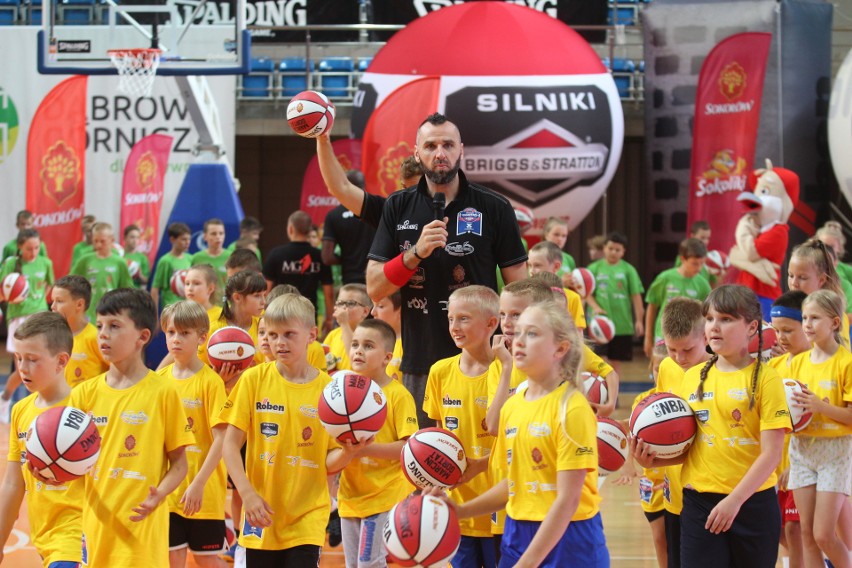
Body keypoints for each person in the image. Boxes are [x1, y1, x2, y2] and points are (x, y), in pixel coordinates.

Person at [366, 113, 528, 424]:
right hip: (421, 362)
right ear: (417, 153)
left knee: (489, 460)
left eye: (447, 145)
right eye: (430, 146)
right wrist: (416, 253)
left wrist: (518, 350)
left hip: (485, 363)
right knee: (426, 461)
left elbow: (520, 291)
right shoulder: (397, 206)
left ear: (461, 150)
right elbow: (375, 288)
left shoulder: (494, 207)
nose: (440, 153)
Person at [429, 300, 609, 567]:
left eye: (532, 333)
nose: (519, 340)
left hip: (569, 537)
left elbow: (568, 499)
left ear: (560, 348)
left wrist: (527, 563)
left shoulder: (571, 408)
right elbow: (513, 483)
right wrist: (461, 511)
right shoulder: (512, 406)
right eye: (519, 332)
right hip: (517, 532)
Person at [632, 285, 789, 568]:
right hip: (699, 503)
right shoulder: (691, 377)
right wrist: (653, 459)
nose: (715, 327)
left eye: (726, 319)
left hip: (752, 504)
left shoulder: (767, 380)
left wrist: (734, 501)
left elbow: (772, 454)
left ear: (752, 327)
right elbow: (692, 448)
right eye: (711, 319)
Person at [219, 293, 366, 566]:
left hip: (307, 517)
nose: (279, 342)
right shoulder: (253, 379)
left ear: (311, 334)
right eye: (272, 335)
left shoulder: (329, 391)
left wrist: (347, 452)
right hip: (260, 513)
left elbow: (328, 462)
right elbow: (229, 444)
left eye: (288, 334)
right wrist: (247, 494)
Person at [67, 288, 193, 567]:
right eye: (99, 326)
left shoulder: (164, 392)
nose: (102, 334)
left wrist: (160, 494)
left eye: (114, 326)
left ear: (143, 336)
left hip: (142, 534)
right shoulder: (83, 395)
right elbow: (71, 464)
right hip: (96, 529)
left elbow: (180, 464)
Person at [424, 285, 502, 567]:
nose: (455, 326)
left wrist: (479, 465)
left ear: (491, 323)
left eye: (464, 319)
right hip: (457, 505)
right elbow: (437, 439)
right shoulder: (440, 372)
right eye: (451, 318)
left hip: (500, 506)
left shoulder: (505, 373)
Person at [0, 312, 83, 567]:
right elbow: (14, 484)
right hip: (44, 536)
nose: (22, 368)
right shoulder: (21, 410)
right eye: (18, 358)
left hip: (77, 537)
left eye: (32, 360)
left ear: (61, 361)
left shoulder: (85, 408)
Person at [338, 318, 418, 568]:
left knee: (368, 563)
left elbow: (408, 449)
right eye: (355, 344)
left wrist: (362, 447)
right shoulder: (339, 391)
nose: (358, 351)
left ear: (387, 357)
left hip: (385, 493)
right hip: (350, 494)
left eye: (368, 346)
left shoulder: (398, 395)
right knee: (354, 565)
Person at [157, 301, 228, 568]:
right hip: (168, 492)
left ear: (201, 338)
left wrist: (198, 483)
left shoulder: (211, 382)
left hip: (203, 490)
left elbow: (221, 439)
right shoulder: (160, 380)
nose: (176, 339)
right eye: (171, 332)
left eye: (184, 333)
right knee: (172, 559)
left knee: (206, 560)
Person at [788, 290, 852, 568]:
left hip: (835, 452)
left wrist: (820, 407)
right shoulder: (797, 362)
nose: (807, 324)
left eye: (815, 318)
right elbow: (789, 411)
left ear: (834, 323)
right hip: (801, 451)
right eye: (804, 318)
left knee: (824, 535)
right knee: (807, 535)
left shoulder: (846, 362)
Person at [654, 297, 711, 568]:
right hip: (675, 490)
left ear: (706, 336)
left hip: (709, 492)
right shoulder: (667, 367)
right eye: (671, 349)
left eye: (687, 349)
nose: (679, 358)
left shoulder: (718, 371)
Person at [611, 341, 669, 568]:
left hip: (681, 482)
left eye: (668, 367)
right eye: (657, 368)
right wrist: (627, 464)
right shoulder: (643, 402)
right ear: (651, 370)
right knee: (659, 538)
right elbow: (630, 435)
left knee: (680, 539)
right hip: (652, 482)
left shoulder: (684, 397)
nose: (662, 373)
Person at [767, 290, 810, 568]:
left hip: (803, 462)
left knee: (796, 531)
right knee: (780, 531)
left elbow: (813, 422)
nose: (781, 337)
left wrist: (797, 465)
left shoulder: (817, 365)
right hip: (775, 464)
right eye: (777, 330)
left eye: (788, 330)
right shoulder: (773, 366)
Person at [0, 228, 55, 422]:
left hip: (40, 317)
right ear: (20, 247)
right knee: (24, 370)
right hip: (18, 319)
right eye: (29, 249)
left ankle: (37, 411)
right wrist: (11, 295)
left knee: (41, 365)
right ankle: (5, 399)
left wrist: (40, 298)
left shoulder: (46, 262)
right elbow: (2, 291)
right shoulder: (10, 265)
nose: (33, 252)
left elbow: (50, 286)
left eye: (36, 248)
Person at [262, 210, 334, 333]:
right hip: (309, 315)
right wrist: (329, 318)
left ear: (290, 229)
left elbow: (266, 290)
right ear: (310, 230)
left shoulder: (276, 254)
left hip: (279, 314)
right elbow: (329, 293)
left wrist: (264, 315)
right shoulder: (319, 256)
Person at [585, 231, 645, 376]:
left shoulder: (628, 270)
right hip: (599, 324)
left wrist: (639, 321)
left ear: (623, 251)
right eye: (610, 248)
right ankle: (602, 392)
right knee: (600, 360)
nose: (613, 252)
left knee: (616, 362)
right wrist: (596, 308)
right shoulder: (594, 268)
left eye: (617, 250)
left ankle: (614, 394)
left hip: (622, 325)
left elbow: (636, 297)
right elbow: (586, 293)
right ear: (604, 248)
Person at [644, 238, 711, 358]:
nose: (699, 268)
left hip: (689, 340)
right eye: (695, 263)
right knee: (661, 371)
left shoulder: (703, 284)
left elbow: (707, 313)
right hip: (663, 336)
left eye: (702, 263)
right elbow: (652, 306)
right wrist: (648, 337)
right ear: (682, 259)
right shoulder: (665, 278)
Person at [787, 238, 851, 347]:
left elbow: (838, 357)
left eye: (802, 278)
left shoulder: (834, 316)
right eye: (791, 275)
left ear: (821, 279)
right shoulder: (786, 310)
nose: (794, 283)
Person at [51, 275, 109, 387]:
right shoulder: (53, 338)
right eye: (53, 301)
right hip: (63, 403)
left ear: (79, 304)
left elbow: (118, 372)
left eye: (59, 301)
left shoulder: (96, 337)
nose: (53, 306)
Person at [321, 170, 377, 286]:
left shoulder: (333, 215)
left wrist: (347, 259)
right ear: (364, 186)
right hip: (377, 277)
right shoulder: (380, 208)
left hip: (350, 280)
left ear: (345, 186)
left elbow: (327, 257)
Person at [70, 222, 134, 321]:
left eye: (102, 241)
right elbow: (72, 282)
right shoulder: (85, 260)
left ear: (112, 240)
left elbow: (127, 289)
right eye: (95, 241)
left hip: (111, 311)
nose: (98, 245)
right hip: (88, 313)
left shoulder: (120, 263)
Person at [324, 283, 372, 373]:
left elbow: (354, 355)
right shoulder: (333, 335)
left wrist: (344, 324)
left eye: (350, 303)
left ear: (365, 311)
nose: (343, 308)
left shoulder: (370, 335)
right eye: (340, 303)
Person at [152, 222, 194, 310]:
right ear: (172, 239)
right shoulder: (165, 261)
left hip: (187, 308)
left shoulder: (190, 259)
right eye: (183, 239)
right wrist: (155, 316)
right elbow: (155, 289)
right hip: (172, 308)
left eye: (189, 239)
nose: (187, 242)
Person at [192, 218, 232, 293]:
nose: (218, 237)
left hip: (226, 303)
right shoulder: (196, 258)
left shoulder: (232, 257)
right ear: (205, 236)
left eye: (221, 233)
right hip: (203, 303)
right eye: (213, 234)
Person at [370, 291, 403, 381]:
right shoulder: (374, 341)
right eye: (373, 305)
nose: (372, 312)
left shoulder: (407, 347)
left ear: (400, 311)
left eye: (380, 306)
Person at [123, 224, 151, 289]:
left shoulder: (143, 258)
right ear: (125, 238)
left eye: (137, 237)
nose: (135, 240)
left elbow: (147, 281)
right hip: (120, 293)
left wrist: (139, 274)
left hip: (135, 294)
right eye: (132, 237)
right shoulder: (119, 255)